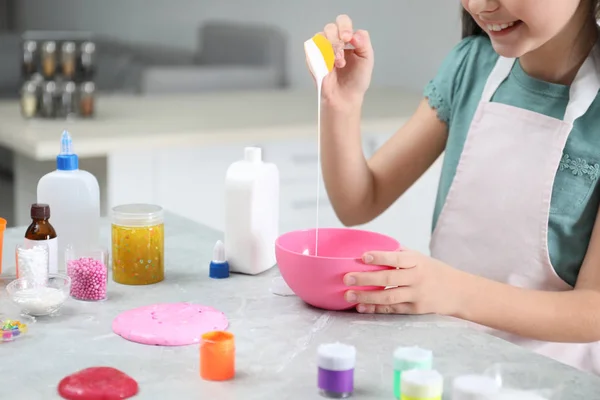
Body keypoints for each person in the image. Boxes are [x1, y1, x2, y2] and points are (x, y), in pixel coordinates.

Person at [313, 1, 600, 375]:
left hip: (554, 377)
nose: (480, 5)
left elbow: (592, 309)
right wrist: (343, 105)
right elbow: (358, 201)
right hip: (446, 361)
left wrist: (451, 291)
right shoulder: (469, 68)